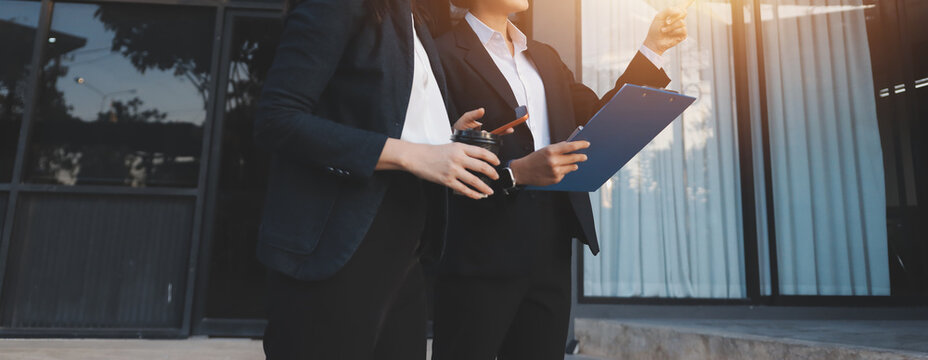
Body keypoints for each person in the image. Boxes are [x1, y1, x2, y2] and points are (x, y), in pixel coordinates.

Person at [431, 0, 688, 358]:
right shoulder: (440, 53)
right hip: (478, 246)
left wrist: (653, 49)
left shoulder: (543, 56)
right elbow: (432, 150)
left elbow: (598, 117)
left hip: (550, 243)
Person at [253, 0, 502, 358]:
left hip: (404, 246)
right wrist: (416, 154)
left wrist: (443, 137)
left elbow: (386, 119)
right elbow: (277, 120)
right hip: (339, 245)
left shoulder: (412, 16)